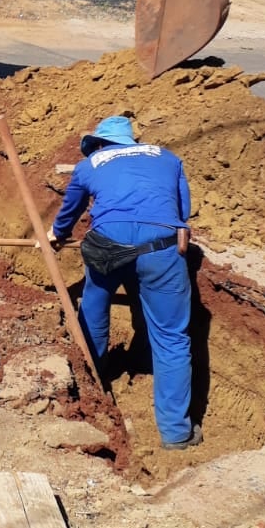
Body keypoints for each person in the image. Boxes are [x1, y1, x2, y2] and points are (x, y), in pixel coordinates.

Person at [48, 114, 201, 451]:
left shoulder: (88, 164)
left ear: (100, 144)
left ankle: (93, 383)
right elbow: (182, 211)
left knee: (94, 306)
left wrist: (56, 235)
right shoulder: (168, 157)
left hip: (107, 245)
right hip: (162, 247)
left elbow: (69, 213)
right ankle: (176, 433)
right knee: (172, 338)